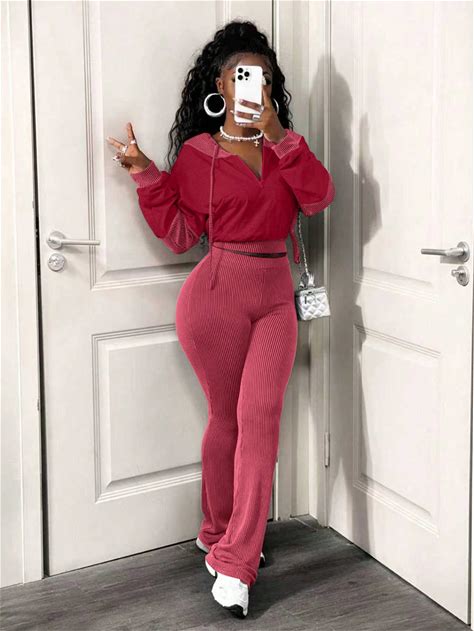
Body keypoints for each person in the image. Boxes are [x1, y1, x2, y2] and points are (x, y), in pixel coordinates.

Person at [106, 19, 335, 620]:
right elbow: (183, 233)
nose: (254, 85)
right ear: (221, 85)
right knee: (226, 420)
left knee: (261, 421)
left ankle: (235, 562)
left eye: (264, 77)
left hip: (276, 296)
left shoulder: (287, 148)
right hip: (214, 297)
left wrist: (279, 135)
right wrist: (143, 171)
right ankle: (216, 532)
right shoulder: (199, 154)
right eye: (242, 75)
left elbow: (319, 197)